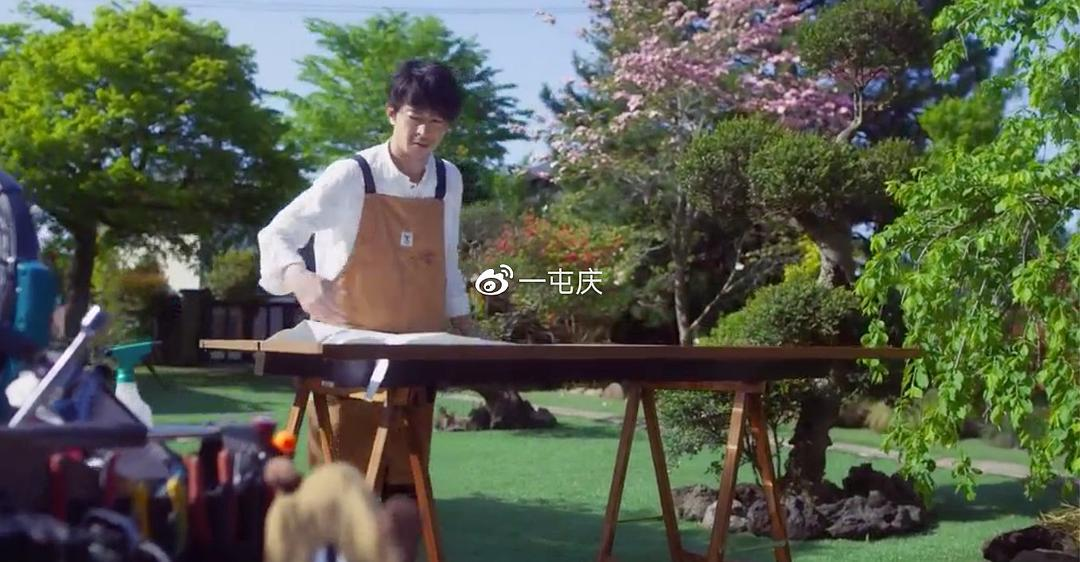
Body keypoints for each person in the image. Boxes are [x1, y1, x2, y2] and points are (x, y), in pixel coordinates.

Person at [256, 59, 478, 560]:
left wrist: (467, 327)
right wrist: (299, 278)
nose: (424, 132)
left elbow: (445, 259)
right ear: (392, 113)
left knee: (404, 493)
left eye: (438, 122)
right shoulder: (351, 176)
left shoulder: (448, 180)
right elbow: (277, 234)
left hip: (415, 359)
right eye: (415, 118)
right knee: (344, 493)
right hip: (349, 358)